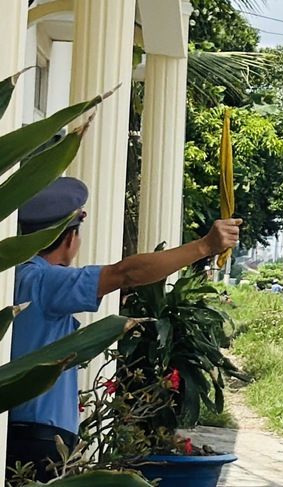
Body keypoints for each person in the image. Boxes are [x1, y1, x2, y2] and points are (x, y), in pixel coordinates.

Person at [7, 177, 241, 482]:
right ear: (69, 238)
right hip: (38, 445)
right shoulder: (46, 282)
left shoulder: (14, 278)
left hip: (13, 435)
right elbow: (125, 272)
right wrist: (205, 245)